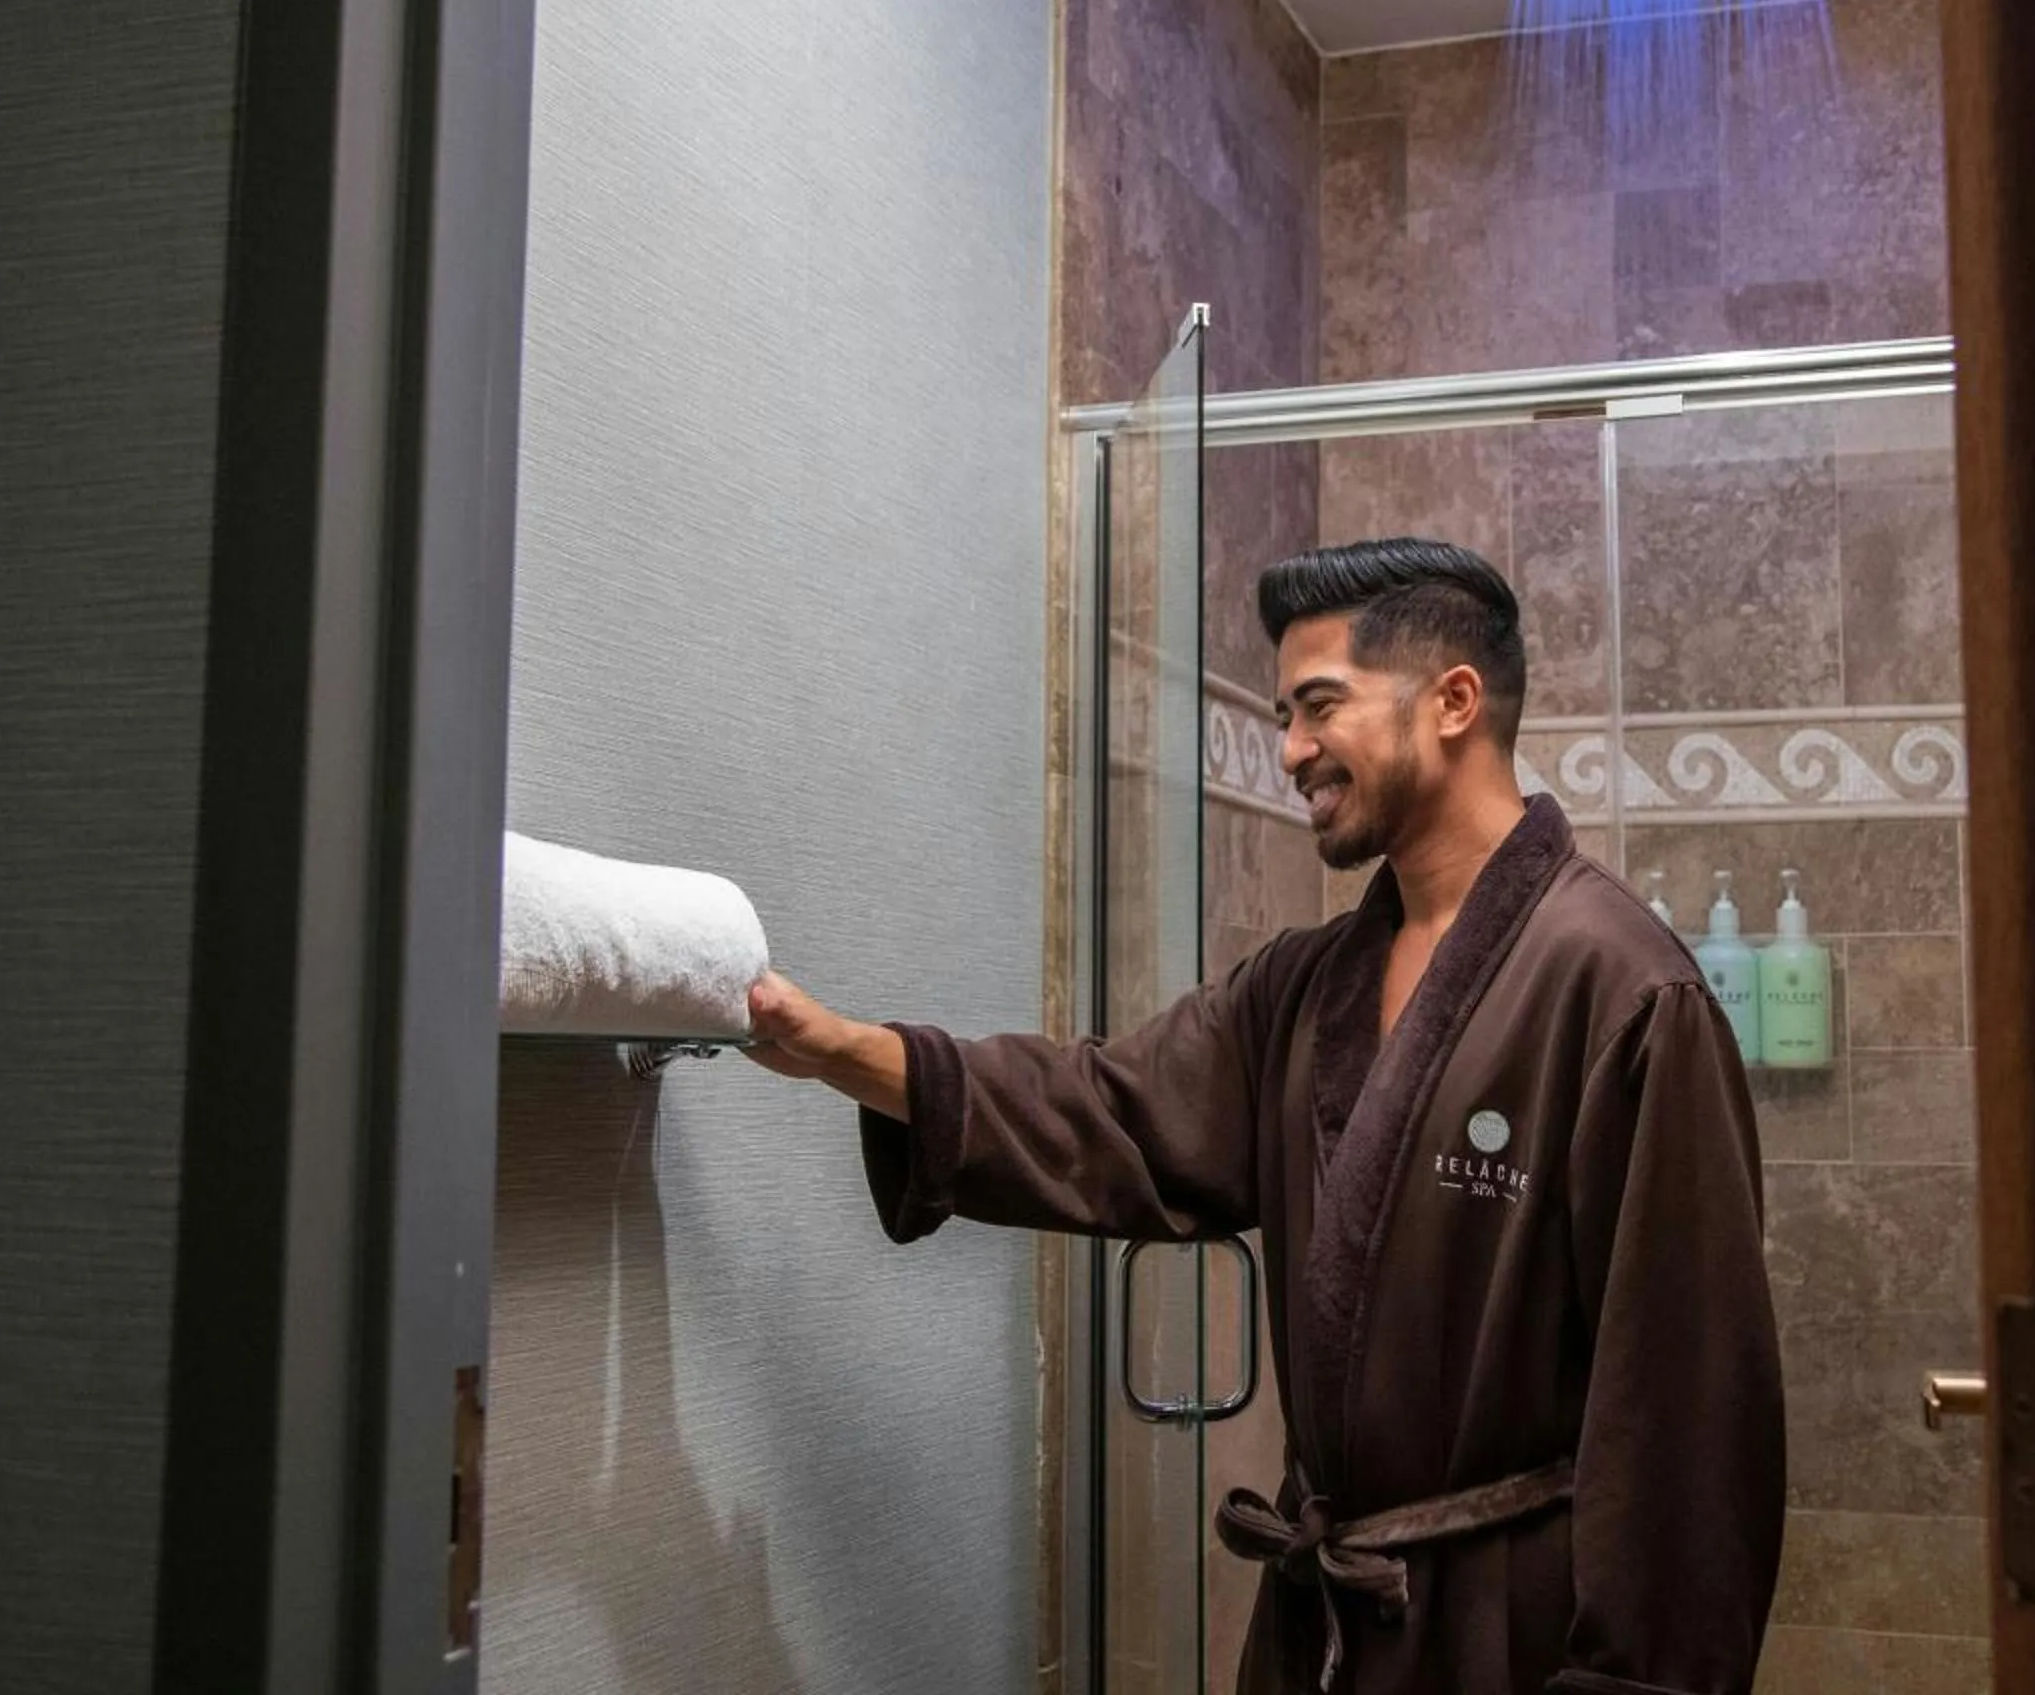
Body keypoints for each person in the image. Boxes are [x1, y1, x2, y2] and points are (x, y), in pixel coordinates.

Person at [746, 537, 1783, 1695]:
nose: (1290, 749)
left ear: (1452, 701)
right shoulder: (1309, 985)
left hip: (1503, 1637)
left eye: (1318, 706)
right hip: (1322, 1627)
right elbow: (1110, 1105)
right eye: (1287, 712)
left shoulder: (1625, 989)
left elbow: (1689, 1420)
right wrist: (851, 1053)